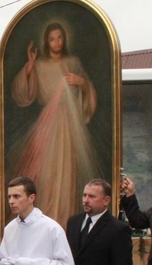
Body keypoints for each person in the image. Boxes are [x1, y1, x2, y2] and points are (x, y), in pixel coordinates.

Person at [10, 22, 100, 228]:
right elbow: (24, 95)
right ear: (46, 41)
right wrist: (31, 65)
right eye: (52, 39)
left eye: (60, 38)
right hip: (47, 126)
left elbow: (88, 92)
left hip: (69, 125)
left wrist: (82, 82)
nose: (56, 43)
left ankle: (65, 220)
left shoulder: (73, 62)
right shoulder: (40, 65)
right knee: (48, 174)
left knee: (66, 173)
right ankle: (47, 221)